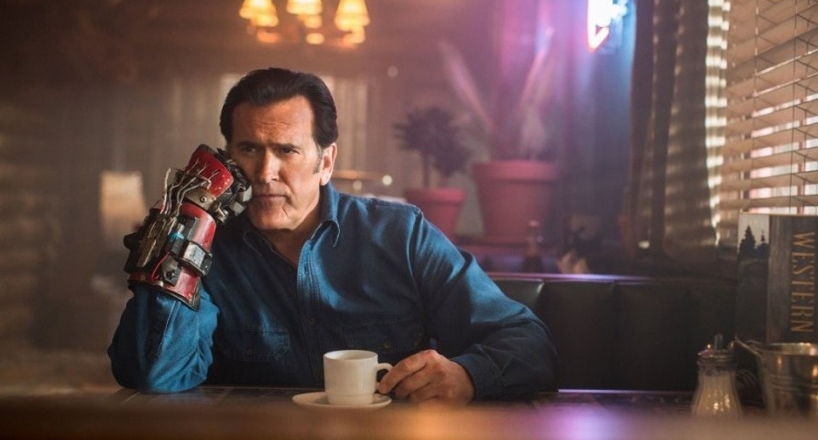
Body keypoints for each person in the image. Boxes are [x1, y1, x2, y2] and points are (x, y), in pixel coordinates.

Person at [108, 67, 559, 405]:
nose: (265, 172)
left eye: (287, 151)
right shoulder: (206, 249)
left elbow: (529, 343)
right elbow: (154, 375)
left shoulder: (402, 236)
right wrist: (185, 228)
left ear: (325, 163)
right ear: (228, 157)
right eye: (248, 149)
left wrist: (469, 376)